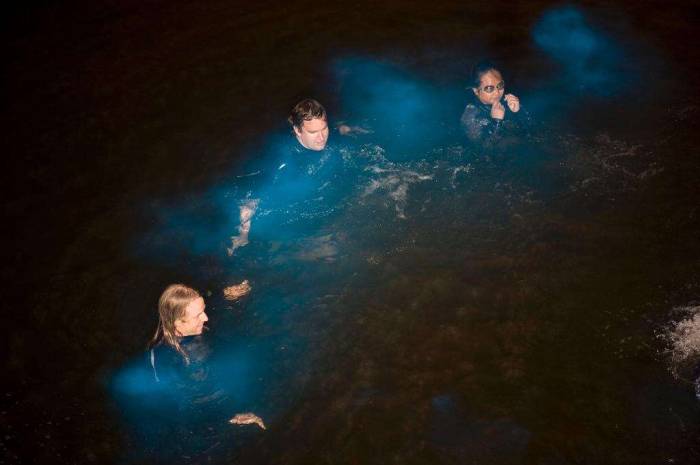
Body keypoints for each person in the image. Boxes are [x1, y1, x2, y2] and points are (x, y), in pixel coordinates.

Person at [148, 284, 264, 461]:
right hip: (199, 425)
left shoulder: (183, 330)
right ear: (177, 322)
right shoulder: (179, 361)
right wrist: (234, 414)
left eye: (204, 310)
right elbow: (197, 399)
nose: (206, 317)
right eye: (198, 315)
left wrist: (226, 297)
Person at [460, 61, 526, 146]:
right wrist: (496, 121)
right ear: (476, 91)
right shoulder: (471, 113)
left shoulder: (507, 103)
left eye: (500, 85)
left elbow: (529, 131)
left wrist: (517, 112)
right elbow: (483, 150)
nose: (497, 93)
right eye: (489, 88)